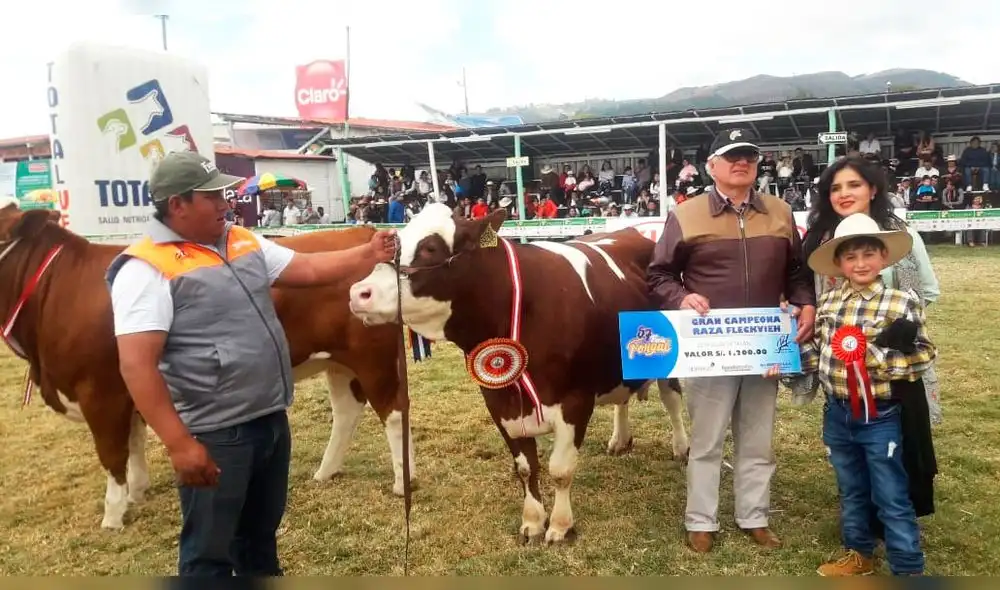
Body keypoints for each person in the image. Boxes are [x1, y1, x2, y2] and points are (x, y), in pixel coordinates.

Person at [105, 151, 397, 577]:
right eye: (212, 196)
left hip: (270, 420)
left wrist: (366, 253)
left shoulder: (240, 239)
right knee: (209, 554)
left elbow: (311, 268)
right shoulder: (145, 269)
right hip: (215, 432)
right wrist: (179, 444)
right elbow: (136, 365)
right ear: (177, 205)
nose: (226, 203)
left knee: (259, 540)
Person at [646, 127, 816, 553]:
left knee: (757, 436)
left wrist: (805, 303)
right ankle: (701, 520)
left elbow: (797, 273)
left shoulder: (779, 212)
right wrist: (682, 297)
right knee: (706, 439)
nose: (742, 163)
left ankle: (754, 515)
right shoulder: (685, 214)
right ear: (712, 166)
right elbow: (658, 275)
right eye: (732, 156)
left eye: (750, 157)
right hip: (711, 350)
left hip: (765, 344)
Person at [794, 212, 936, 576]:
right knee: (851, 488)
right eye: (851, 257)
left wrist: (873, 359)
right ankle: (859, 554)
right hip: (837, 413)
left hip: (882, 415)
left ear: (884, 258)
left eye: (868, 255)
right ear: (838, 264)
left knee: (891, 494)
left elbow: (923, 354)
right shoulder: (827, 303)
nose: (860, 263)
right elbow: (816, 351)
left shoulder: (901, 302)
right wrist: (786, 354)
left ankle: (908, 568)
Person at [801, 155, 942, 424]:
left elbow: (927, 291)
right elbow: (808, 294)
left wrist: (890, 326)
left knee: (899, 446)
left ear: (873, 189)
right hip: (840, 365)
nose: (844, 194)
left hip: (890, 363)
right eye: (835, 188)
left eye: (854, 185)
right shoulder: (818, 241)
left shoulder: (903, 236)